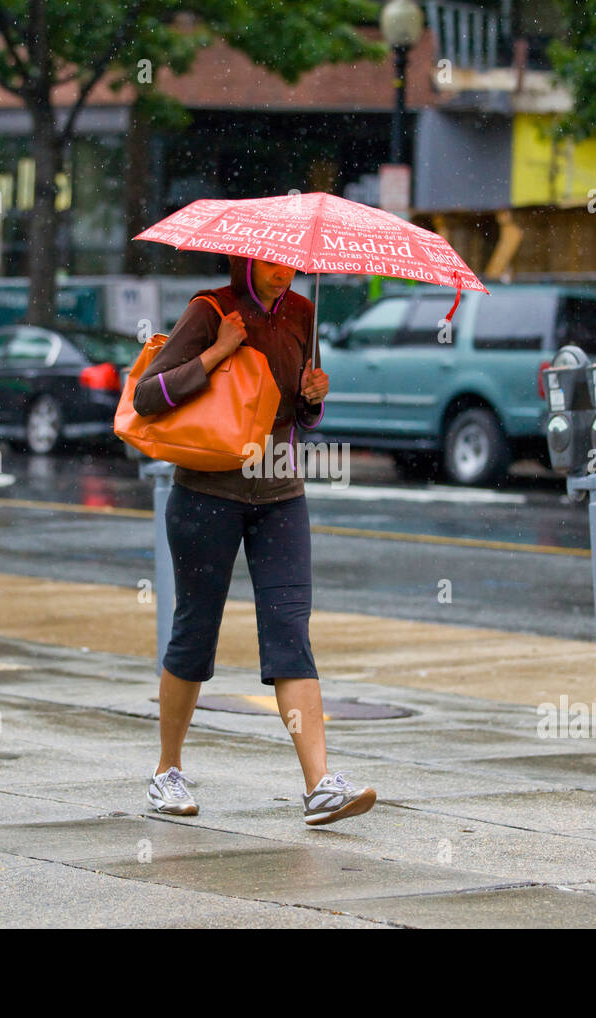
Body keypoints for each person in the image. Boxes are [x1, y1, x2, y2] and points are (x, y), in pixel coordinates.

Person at [131, 255, 377, 827]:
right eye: (270, 265)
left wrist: (313, 397)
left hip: (281, 493)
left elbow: (293, 411)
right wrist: (219, 351)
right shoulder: (209, 309)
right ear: (244, 259)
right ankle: (167, 772)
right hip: (206, 493)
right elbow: (148, 396)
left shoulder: (302, 313)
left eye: (290, 265)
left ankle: (320, 786)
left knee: (291, 631)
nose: (281, 275)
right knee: (194, 631)